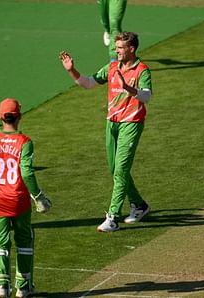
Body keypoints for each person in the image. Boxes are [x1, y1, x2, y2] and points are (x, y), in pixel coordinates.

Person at [59, 31, 152, 232]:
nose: (116, 50)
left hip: (131, 123)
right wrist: (72, 70)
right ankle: (139, 205)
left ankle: (113, 217)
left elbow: (147, 96)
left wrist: (130, 89)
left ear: (131, 49)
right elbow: (89, 83)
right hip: (112, 124)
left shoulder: (142, 70)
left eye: (120, 48)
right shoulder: (111, 68)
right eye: (116, 47)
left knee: (120, 170)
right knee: (115, 170)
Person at [0, 98, 52, 298]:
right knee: (24, 240)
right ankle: (24, 286)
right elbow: (26, 173)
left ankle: (1, 285)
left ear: (0, 117)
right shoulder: (25, 142)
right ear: (19, 116)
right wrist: (39, 197)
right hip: (18, 200)